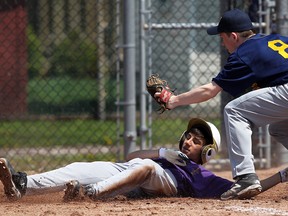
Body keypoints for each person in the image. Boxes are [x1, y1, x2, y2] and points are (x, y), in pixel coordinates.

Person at [154, 9, 288, 200]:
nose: (222, 43)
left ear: (233, 36)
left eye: (222, 37)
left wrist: (173, 101)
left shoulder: (244, 53)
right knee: (278, 127)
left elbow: (210, 90)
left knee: (234, 110)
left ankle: (246, 177)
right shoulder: (277, 39)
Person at [0, 118, 287, 202]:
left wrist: (283, 176)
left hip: (166, 182)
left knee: (146, 168)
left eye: (196, 142)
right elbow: (131, 157)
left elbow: (249, 190)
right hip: (132, 171)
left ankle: (91, 194)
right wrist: (162, 153)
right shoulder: (167, 154)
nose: (188, 141)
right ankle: (22, 186)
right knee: (80, 167)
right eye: (188, 136)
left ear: (207, 153)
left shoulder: (203, 177)